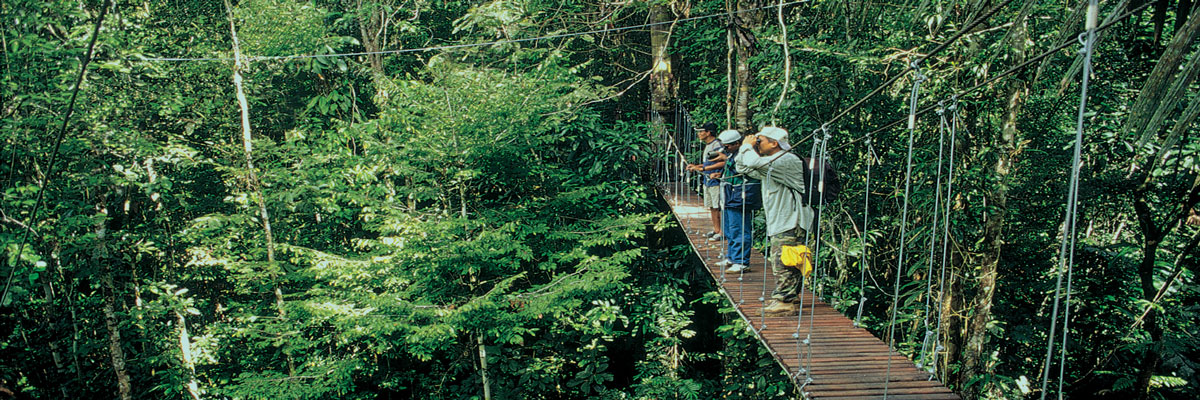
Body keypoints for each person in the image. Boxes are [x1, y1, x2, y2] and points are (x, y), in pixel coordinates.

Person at [735, 127, 814, 315]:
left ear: (774, 143)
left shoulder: (785, 160)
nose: (757, 143)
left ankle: (784, 301)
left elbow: (752, 161)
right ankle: (789, 296)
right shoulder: (771, 163)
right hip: (782, 218)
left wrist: (746, 146)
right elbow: (743, 167)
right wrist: (745, 150)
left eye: (760, 141)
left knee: (784, 260)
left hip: (791, 219)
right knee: (788, 258)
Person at [713, 129, 761, 274]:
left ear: (738, 143)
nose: (725, 148)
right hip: (730, 196)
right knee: (730, 229)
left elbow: (743, 170)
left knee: (739, 230)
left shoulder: (745, 155)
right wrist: (720, 175)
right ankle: (732, 257)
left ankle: (741, 261)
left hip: (740, 197)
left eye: (727, 146)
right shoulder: (733, 154)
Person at [686, 122, 725, 241]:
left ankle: (722, 232)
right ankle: (716, 230)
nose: (699, 134)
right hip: (708, 180)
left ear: (708, 133)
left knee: (718, 206)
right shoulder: (708, 145)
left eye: (701, 131)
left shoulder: (717, 145)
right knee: (712, 206)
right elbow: (709, 163)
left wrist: (703, 168)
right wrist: (697, 166)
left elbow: (723, 161)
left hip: (716, 180)